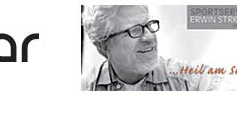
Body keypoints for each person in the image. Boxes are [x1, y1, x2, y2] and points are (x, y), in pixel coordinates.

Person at [80, 5, 216, 91]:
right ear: (103, 46)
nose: (149, 37)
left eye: (148, 25)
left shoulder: (189, 79)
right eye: (134, 30)